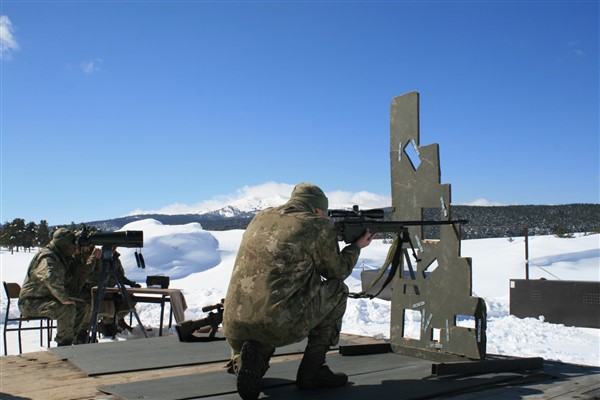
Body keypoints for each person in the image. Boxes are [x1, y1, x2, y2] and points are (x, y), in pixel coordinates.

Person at [223, 182, 374, 400]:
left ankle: (243, 361)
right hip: (280, 325)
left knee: (266, 306)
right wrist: (356, 247)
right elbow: (337, 271)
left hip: (233, 327)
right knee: (337, 291)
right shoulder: (316, 225)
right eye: (324, 212)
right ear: (317, 209)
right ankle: (314, 371)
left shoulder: (261, 217)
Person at [18, 228, 90, 347]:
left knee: (81, 305)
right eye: (72, 244)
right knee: (67, 308)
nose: (74, 247)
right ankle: (64, 345)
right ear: (65, 245)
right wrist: (63, 298)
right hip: (30, 303)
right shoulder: (47, 256)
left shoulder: (62, 257)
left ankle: (72, 339)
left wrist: (78, 257)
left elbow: (75, 276)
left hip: (47, 299)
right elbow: (50, 277)